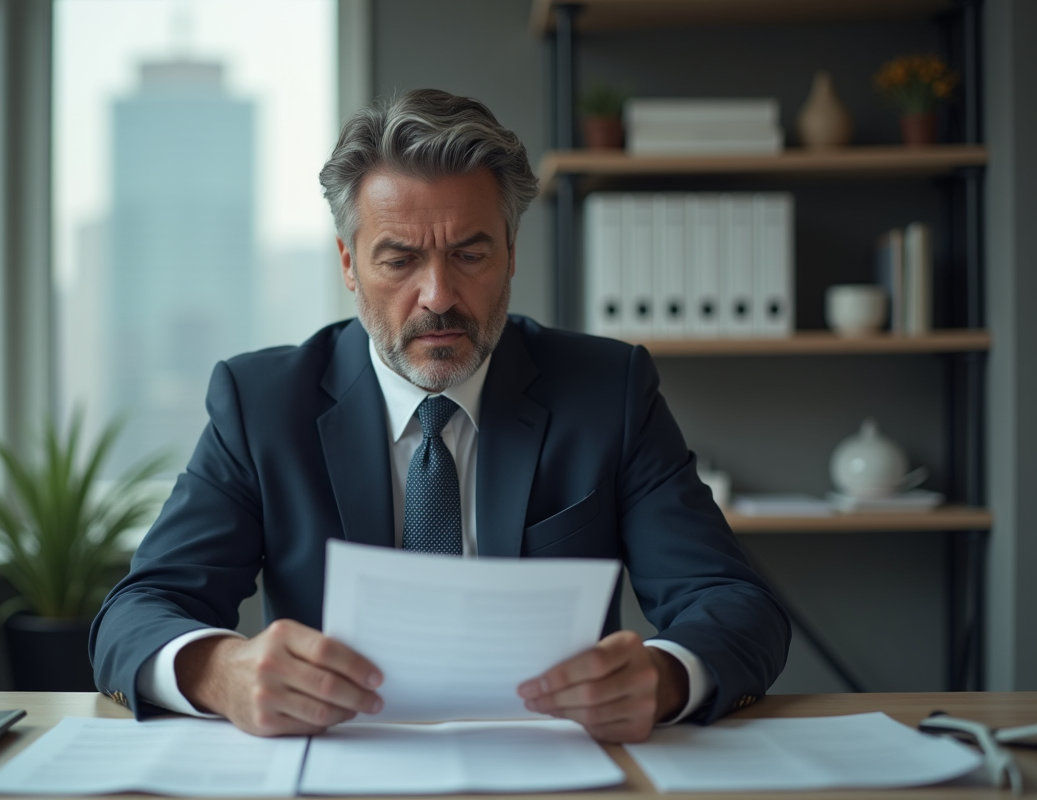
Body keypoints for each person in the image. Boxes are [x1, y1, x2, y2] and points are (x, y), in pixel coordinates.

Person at [89, 88, 790, 744]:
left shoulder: (607, 389)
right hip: (335, 764)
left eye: (470, 254)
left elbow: (734, 603)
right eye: (398, 260)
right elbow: (136, 612)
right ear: (349, 265)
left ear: (511, 254)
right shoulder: (262, 404)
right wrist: (220, 672)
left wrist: (666, 678)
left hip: (552, 763)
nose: (438, 296)